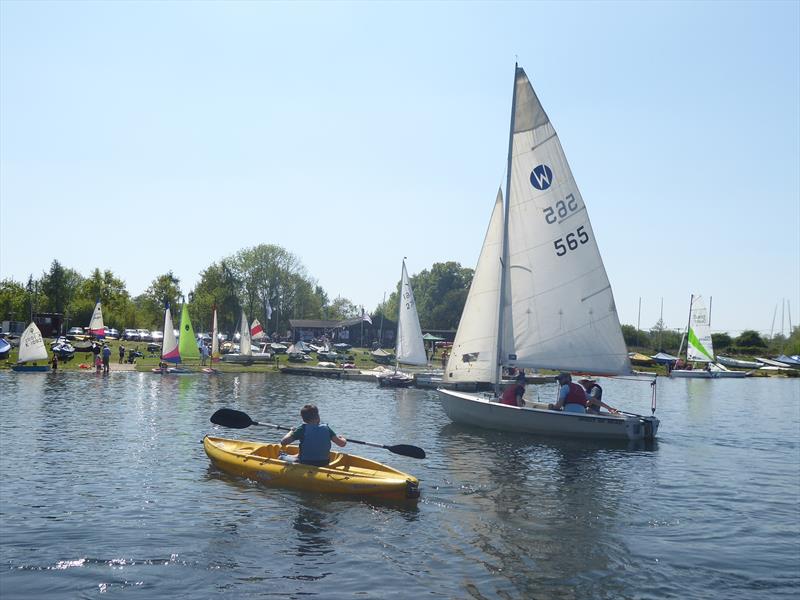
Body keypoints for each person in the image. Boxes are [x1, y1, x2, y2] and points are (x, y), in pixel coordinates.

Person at [280, 404, 347, 467]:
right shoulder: (326, 428)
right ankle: (297, 456)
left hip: (305, 463)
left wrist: (291, 431)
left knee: (281, 456)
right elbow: (342, 444)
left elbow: (283, 442)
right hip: (324, 463)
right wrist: (343, 439)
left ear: (303, 419)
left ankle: (285, 456)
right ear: (318, 416)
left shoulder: (302, 429)